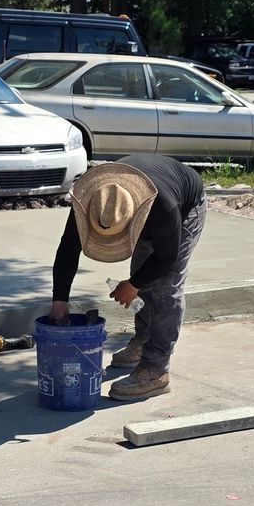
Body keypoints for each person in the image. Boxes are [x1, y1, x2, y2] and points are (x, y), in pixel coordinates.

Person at [49, 155, 205, 403]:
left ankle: (156, 370)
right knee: (143, 276)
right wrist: (59, 302)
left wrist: (133, 285)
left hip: (186, 205)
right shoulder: (90, 202)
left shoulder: (162, 208)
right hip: (148, 207)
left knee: (164, 287)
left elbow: (166, 259)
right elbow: (68, 250)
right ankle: (143, 341)